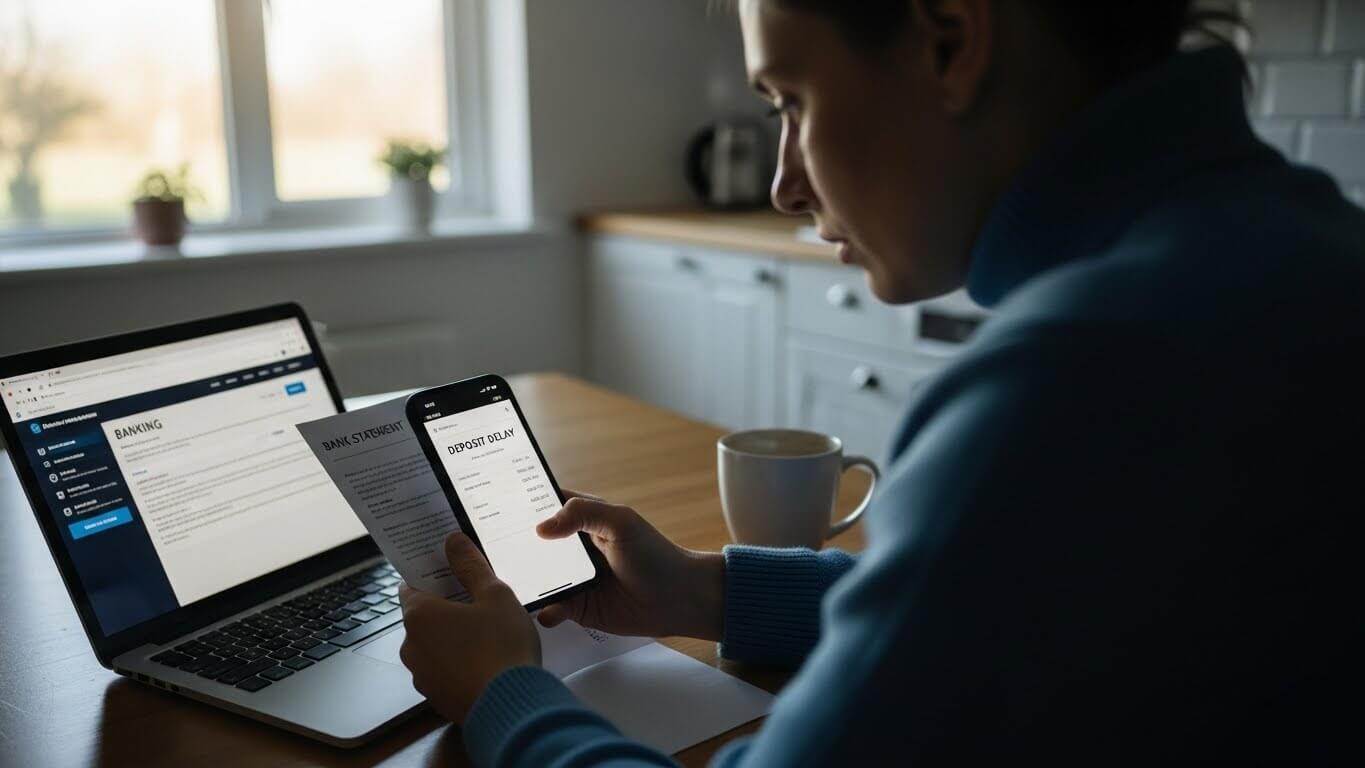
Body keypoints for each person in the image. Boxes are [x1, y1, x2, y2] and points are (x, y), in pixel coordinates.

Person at [398, 0, 1364, 764]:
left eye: (791, 101)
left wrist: (503, 695)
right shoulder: (1301, 242)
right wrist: (701, 591)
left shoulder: (1072, 376)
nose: (784, 184)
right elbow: (1004, 612)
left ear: (949, 40)